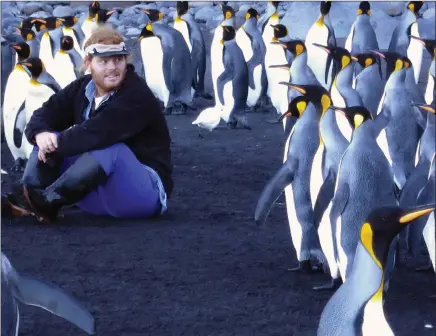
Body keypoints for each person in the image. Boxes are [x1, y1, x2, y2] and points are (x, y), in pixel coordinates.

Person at [3, 25, 173, 223]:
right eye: (104, 61)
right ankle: (29, 195)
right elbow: (43, 114)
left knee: (110, 149)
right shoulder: (83, 87)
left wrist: (53, 145)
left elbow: (98, 132)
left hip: (143, 194)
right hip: (98, 196)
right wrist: (40, 134)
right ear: (88, 63)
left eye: (118, 60)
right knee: (47, 136)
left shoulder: (136, 95)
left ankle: (48, 202)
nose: (112, 67)